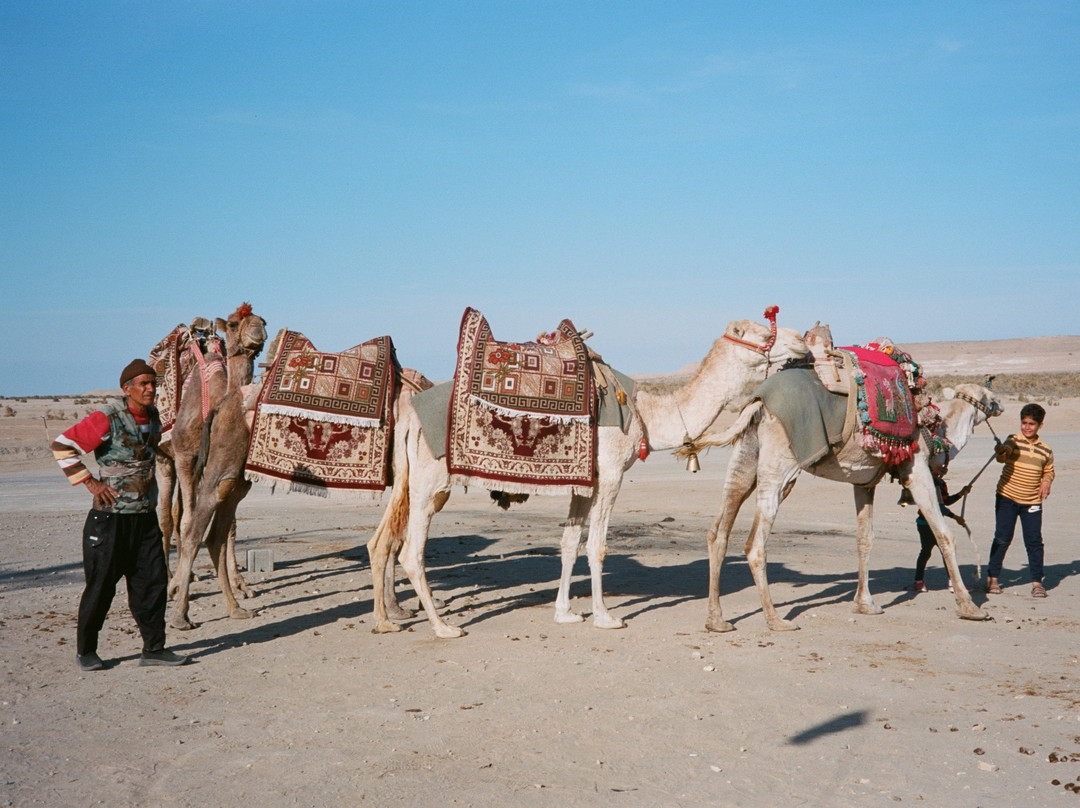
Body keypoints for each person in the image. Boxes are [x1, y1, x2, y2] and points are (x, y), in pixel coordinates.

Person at [51, 359, 189, 671]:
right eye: (143, 384)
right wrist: (90, 482)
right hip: (110, 519)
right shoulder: (108, 417)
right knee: (100, 587)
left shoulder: (153, 416)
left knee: (152, 585)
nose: (150, 389)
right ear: (127, 388)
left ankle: (154, 649)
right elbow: (62, 446)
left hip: (145, 519)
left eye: (153, 383)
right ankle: (86, 652)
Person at [985, 403, 1055, 598]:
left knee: (1034, 541)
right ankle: (992, 578)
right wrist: (1001, 450)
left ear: (1040, 425)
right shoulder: (1013, 440)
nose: (1027, 427)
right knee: (1002, 538)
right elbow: (1003, 455)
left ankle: (1037, 582)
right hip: (1007, 498)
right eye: (1024, 423)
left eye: (1031, 424)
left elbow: (1049, 470)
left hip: (1032, 501)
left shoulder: (1045, 450)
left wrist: (1046, 481)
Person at [910, 460, 970, 592]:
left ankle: (946, 582)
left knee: (942, 551)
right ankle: (921, 581)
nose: (942, 469)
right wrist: (956, 517)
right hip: (926, 524)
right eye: (939, 467)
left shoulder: (941, 483)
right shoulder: (928, 483)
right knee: (931, 551)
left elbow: (945, 501)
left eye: (943, 467)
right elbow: (938, 507)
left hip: (936, 522)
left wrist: (961, 493)